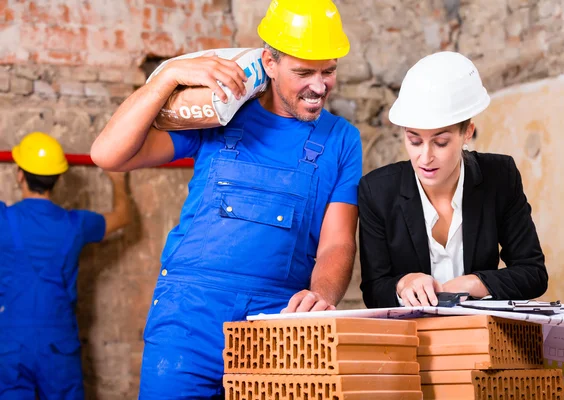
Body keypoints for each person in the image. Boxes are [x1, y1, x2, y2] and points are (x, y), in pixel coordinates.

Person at [90, 0, 362, 398]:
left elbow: (338, 241)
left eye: (329, 71)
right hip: (188, 318)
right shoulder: (220, 113)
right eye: (304, 72)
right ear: (269, 61)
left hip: (277, 323)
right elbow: (108, 154)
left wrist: (321, 295)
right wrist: (166, 78)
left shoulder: (341, 139)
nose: (319, 86)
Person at [358, 51, 548, 309]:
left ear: (467, 132)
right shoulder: (377, 191)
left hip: (480, 335)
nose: (425, 157)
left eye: (441, 142)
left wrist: (474, 284)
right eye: (414, 140)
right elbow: (373, 290)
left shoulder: (500, 176)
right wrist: (403, 284)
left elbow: (533, 273)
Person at [0, 132, 132, 400]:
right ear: (58, 179)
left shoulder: (4, 219)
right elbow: (122, 217)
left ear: (20, 175)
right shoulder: (76, 224)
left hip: (11, 343)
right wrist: (118, 180)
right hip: (58, 342)